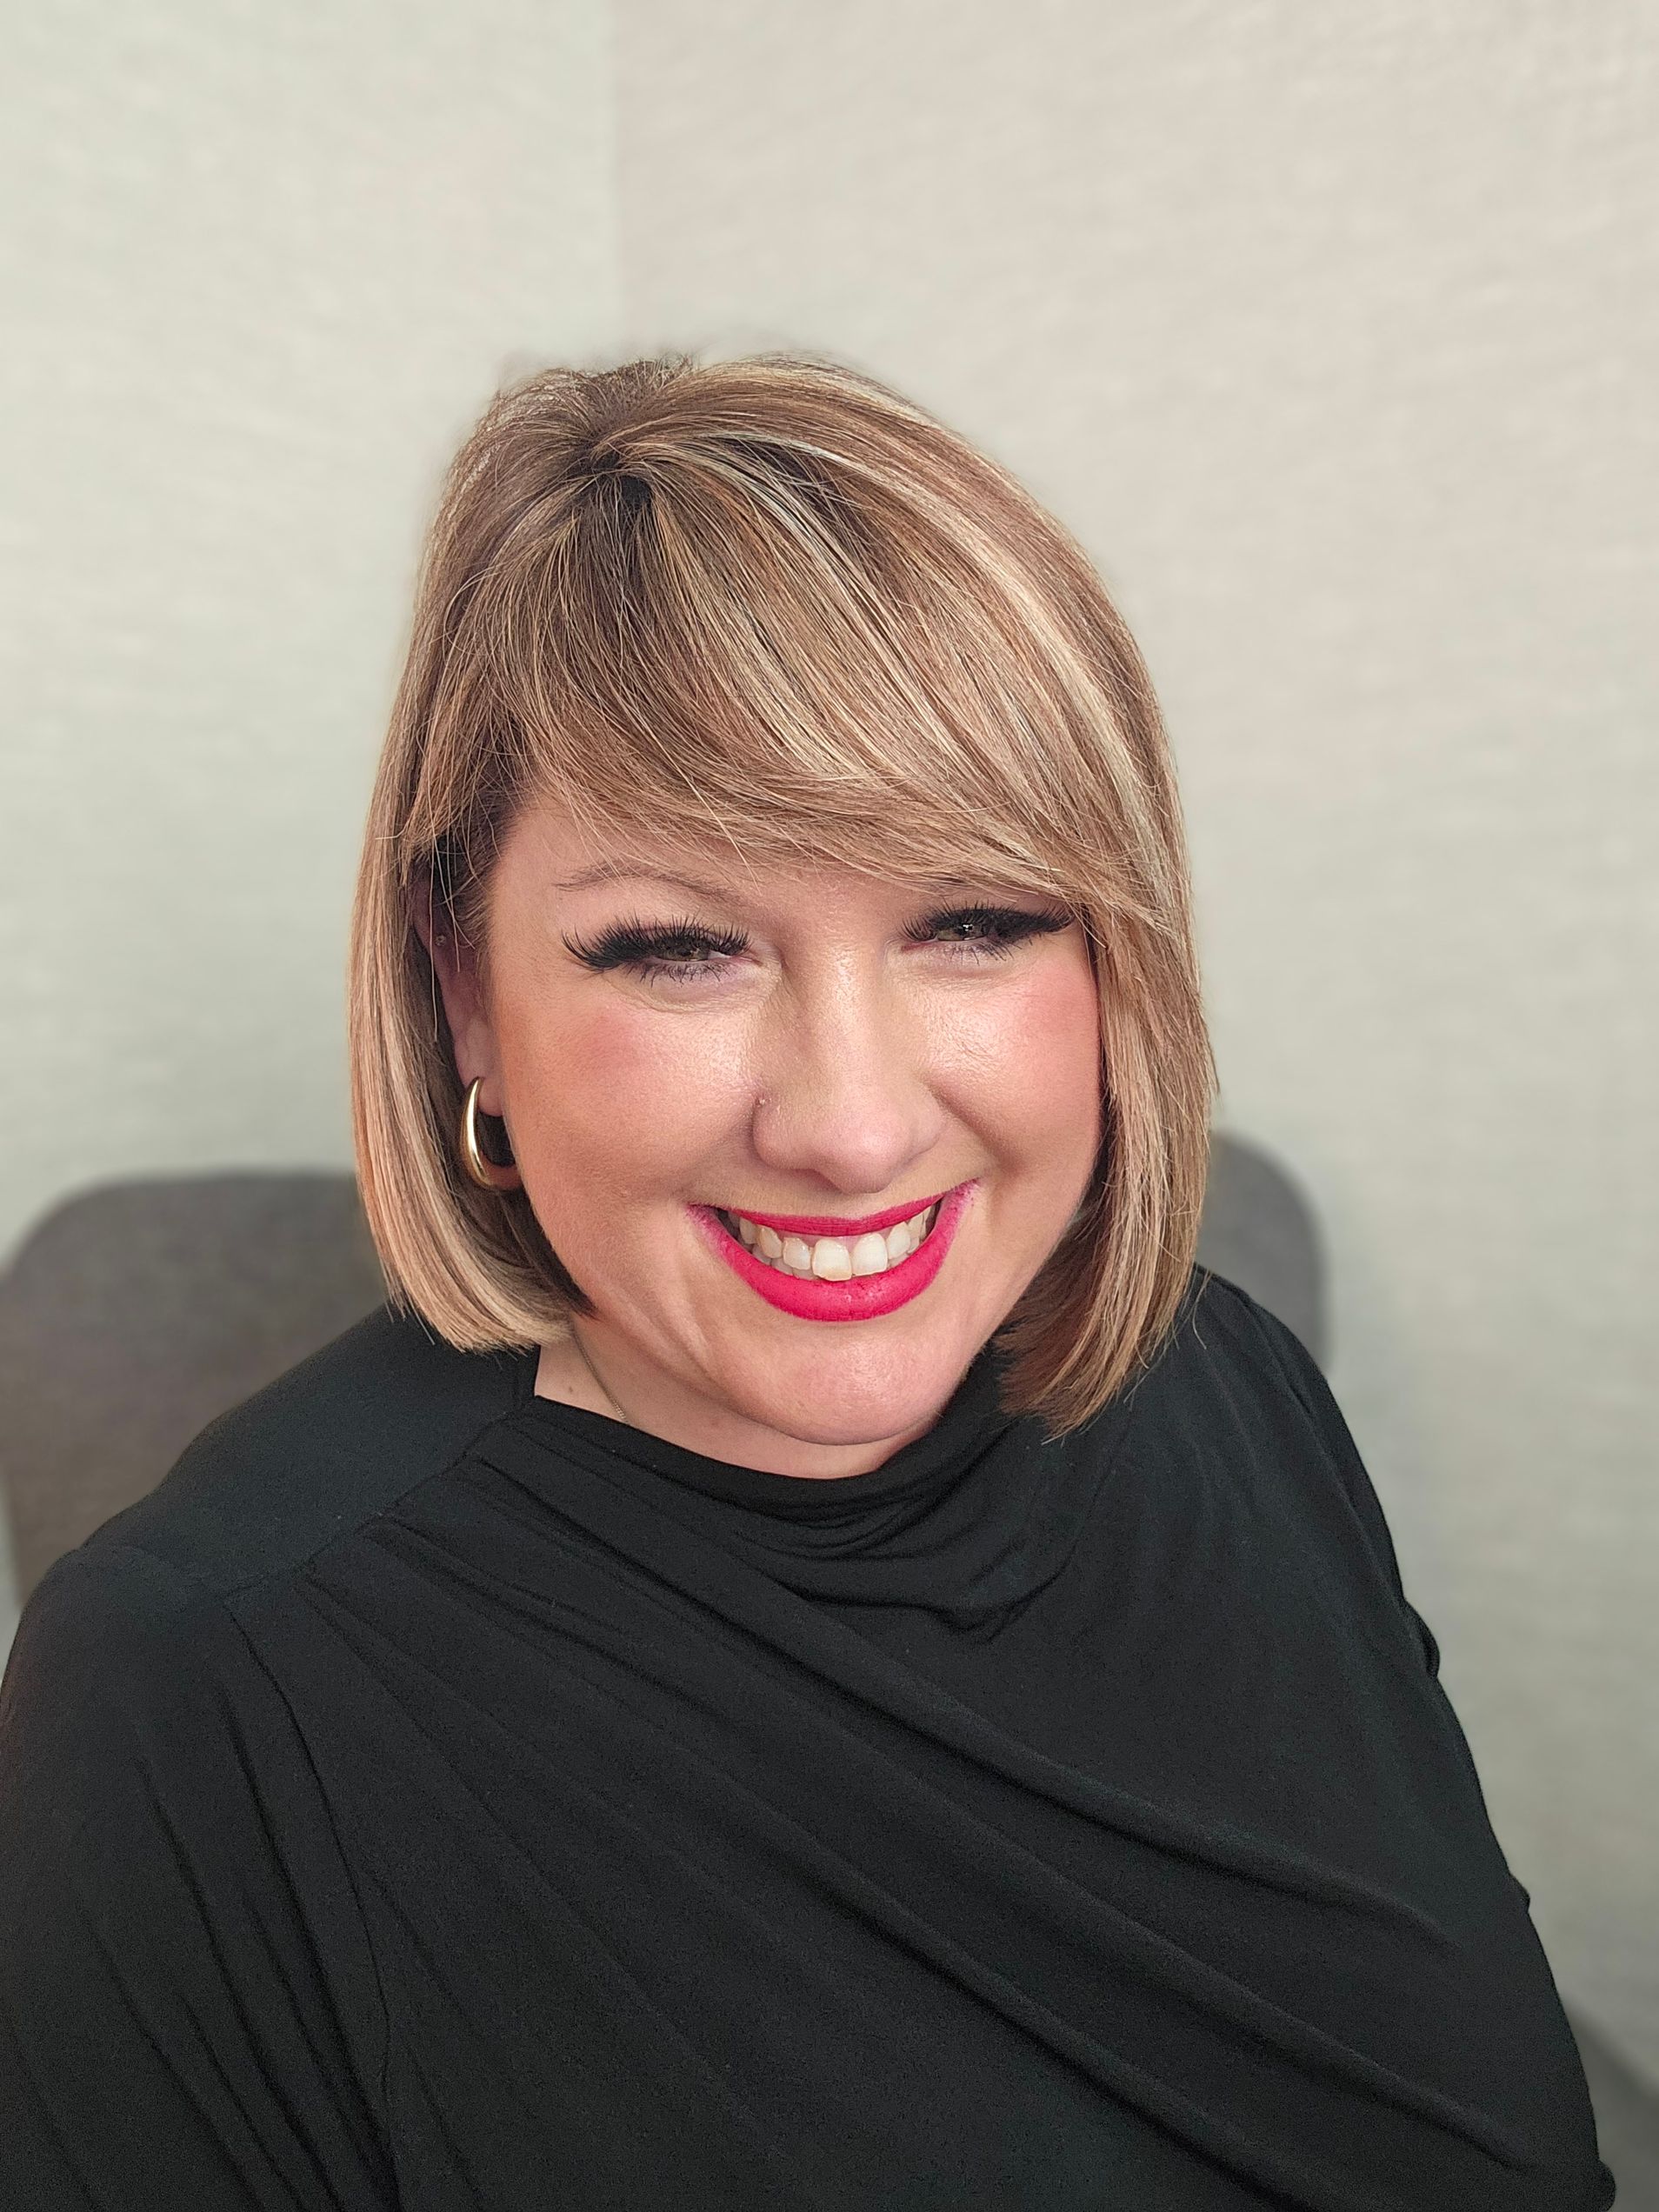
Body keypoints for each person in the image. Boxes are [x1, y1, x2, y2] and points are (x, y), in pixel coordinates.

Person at [0, 352, 1616, 2211]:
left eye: (978, 921)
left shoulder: (1221, 1379)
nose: (852, 1128)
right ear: (468, 991)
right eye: (680, 949)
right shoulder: (200, 1687)